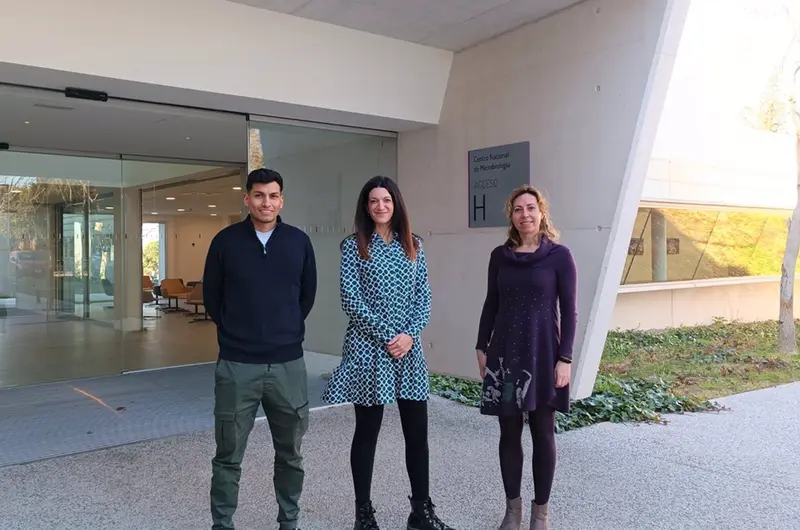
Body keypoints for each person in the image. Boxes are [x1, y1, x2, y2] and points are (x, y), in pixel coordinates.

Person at [321, 176, 455, 530]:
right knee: (367, 432)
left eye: (386, 200)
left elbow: (423, 298)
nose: (380, 206)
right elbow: (351, 299)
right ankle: (363, 515)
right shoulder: (353, 246)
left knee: (417, 434)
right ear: (366, 207)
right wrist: (387, 336)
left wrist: (408, 335)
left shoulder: (415, 245)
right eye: (373, 201)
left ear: (396, 204)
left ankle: (421, 512)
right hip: (368, 349)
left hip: (408, 351)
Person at [203, 167, 317, 530]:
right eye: (258, 195)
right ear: (247, 198)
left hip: (288, 366)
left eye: (272, 196)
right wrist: (241, 333)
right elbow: (212, 298)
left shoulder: (299, 242)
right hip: (238, 366)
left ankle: (289, 521)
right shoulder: (225, 242)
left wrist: (282, 331)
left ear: (281, 200)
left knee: (291, 455)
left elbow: (306, 296)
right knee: (227, 456)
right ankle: (222, 524)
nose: (266, 202)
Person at [475, 185, 577, 530]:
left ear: (541, 213)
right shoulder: (499, 256)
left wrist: (565, 358)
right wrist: (481, 345)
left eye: (531, 208)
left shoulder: (560, 256)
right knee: (509, 431)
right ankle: (512, 512)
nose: (525, 215)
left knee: (543, 433)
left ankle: (540, 515)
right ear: (512, 216)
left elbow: (571, 310)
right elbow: (492, 302)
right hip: (504, 357)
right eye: (518, 209)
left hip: (544, 356)